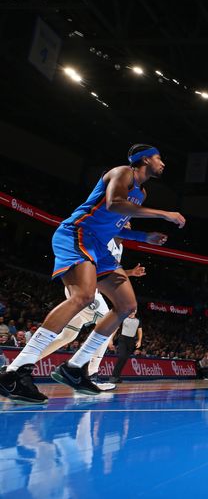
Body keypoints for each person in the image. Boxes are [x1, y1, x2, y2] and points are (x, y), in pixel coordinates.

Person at [0, 144, 184, 404]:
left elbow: (114, 226)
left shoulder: (141, 192)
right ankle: (16, 371)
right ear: (144, 159)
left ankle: (74, 368)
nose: (163, 163)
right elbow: (114, 203)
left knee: (126, 305)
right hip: (77, 233)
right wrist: (163, 214)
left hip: (98, 244)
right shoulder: (122, 173)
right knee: (83, 297)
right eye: (158, 157)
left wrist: (145, 236)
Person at [36, 233, 146, 391]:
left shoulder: (119, 246)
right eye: (125, 222)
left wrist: (130, 273)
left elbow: (108, 273)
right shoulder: (104, 239)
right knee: (108, 326)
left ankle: (20, 366)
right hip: (85, 290)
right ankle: (91, 375)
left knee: (67, 336)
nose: (128, 225)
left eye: (129, 223)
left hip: (88, 292)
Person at [109, 311, 142, 383]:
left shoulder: (138, 321)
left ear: (136, 312)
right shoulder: (123, 318)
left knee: (124, 359)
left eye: (133, 311)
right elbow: (115, 328)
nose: (131, 313)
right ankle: (113, 376)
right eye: (130, 311)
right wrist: (111, 339)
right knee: (121, 356)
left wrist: (139, 341)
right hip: (123, 339)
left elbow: (140, 331)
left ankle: (117, 377)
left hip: (131, 341)